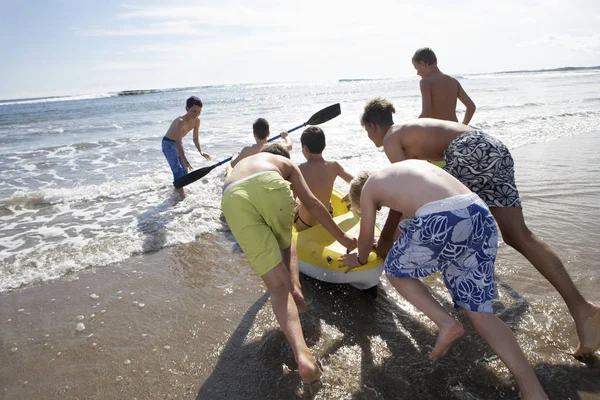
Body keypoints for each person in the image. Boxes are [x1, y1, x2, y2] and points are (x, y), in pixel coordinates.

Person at [359, 97, 600, 357]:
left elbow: (405, 194)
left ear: (373, 126)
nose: (372, 139)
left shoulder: (391, 137)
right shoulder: (411, 128)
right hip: (492, 147)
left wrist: (385, 241)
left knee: (446, 213)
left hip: (468, 150)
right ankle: (583, 308)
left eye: (367, 132)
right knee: (518, 236)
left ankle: (459, 309)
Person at [339, 162, 548, 399]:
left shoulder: (368, 189)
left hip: (444, 216)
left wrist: (360, 258)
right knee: (479, 312)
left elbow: (365, 237)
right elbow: (413, 227)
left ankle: (447, 323)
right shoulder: (406, 174)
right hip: (478, 214)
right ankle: (533, 390)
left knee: (396, 270)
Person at [221, 143, 357, 383]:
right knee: (287, 241)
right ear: (281, 158)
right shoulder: (286, 164)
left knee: (276, 288)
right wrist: (342, 237)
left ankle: (301, 354)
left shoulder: (244, 162)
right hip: (270, 187)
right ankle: (295, 289)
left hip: (232, 196)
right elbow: (313, 204)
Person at [294, 127, 354, 232]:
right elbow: (357, 182)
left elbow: (290, 199)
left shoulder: (298, 170)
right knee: (328, 203)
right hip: (326, 220)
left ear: (305, 148)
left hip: (304, 223)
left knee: (296, 206)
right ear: (324, 146)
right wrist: (351, 194)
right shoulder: (334, 166)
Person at [161, 96, 211, 199]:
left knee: (184, 171)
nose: (196, 115)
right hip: (168, 144)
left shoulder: (197, 121)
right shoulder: (180, 121)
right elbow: (178, 142)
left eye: (199, 112)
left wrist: (201, 151)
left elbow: (195, 138)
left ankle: (177, 190)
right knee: (178, 169)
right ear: (187, 109)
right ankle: (183, 197)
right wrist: (185, 160)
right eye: (194, 111)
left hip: (178, 143)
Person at [412, 47, 476, 125]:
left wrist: (409, 128)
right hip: (454, 130)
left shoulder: (426, 82)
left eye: (416, 69)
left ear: (423, 64)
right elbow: (471, 107)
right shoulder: (453, 81)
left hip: (438, 131)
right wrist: (462, 126)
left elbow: (426, 113)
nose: (417, 73)